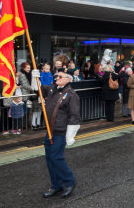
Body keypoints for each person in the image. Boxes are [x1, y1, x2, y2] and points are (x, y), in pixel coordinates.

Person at [34, 70, 80, 198]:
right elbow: (38, 88)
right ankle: (56, 185)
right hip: (49, 131)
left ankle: (70, 181)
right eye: (56, 76)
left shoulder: (72, 95)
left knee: (56, 158)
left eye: (60, 77)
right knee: (50, 159)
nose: (57, 78)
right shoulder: (52, 89)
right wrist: (35, 77)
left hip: (60, 132)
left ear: (68, 79)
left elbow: (74, 115)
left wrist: (70, 135)